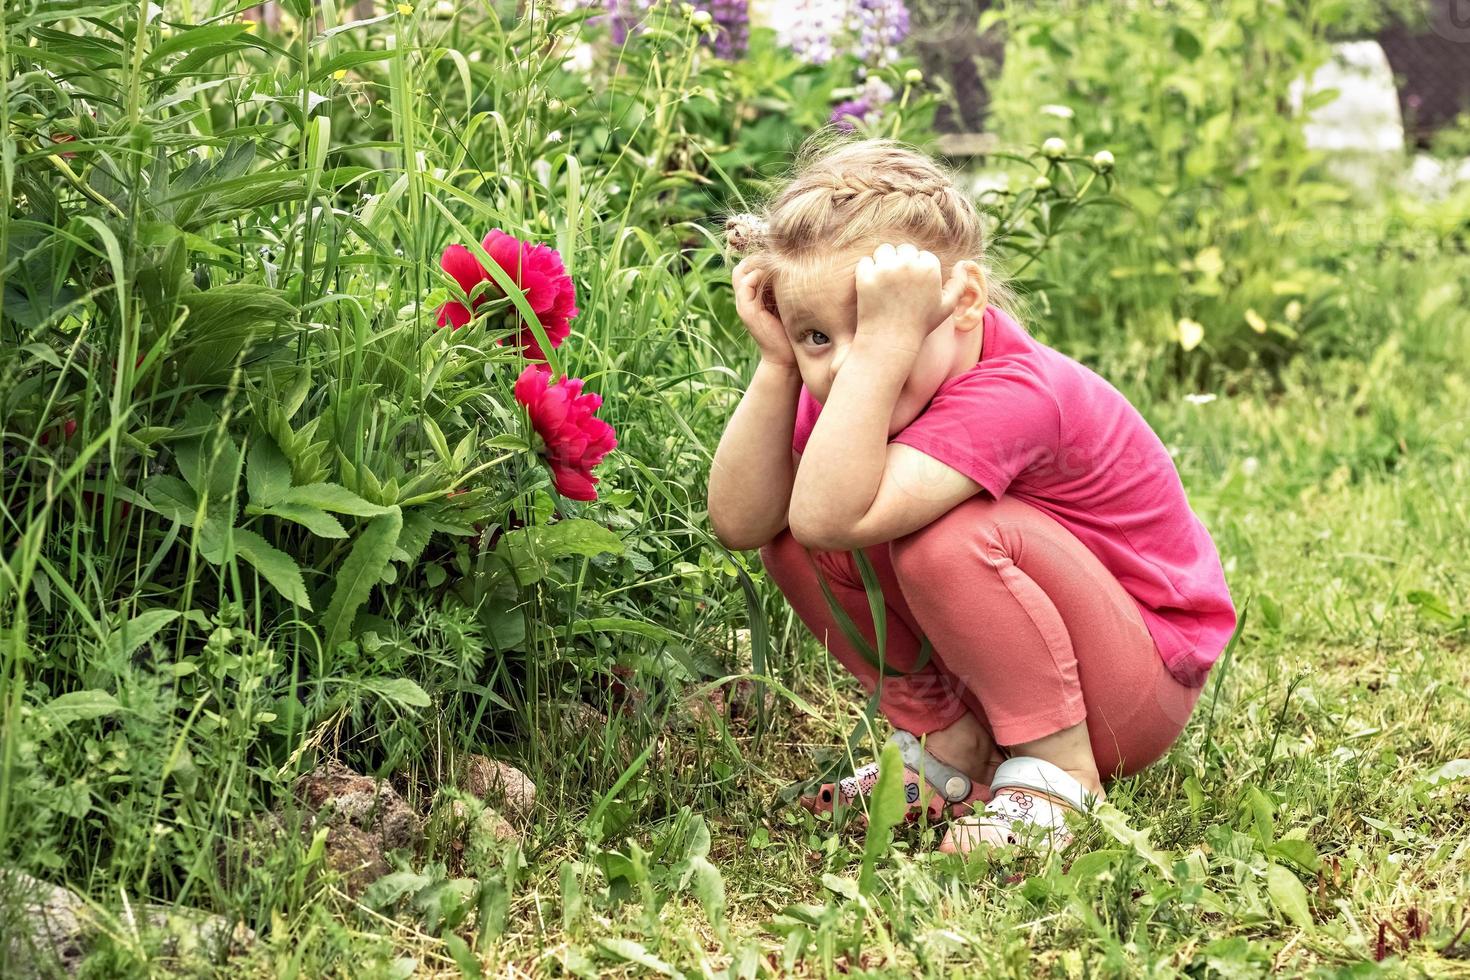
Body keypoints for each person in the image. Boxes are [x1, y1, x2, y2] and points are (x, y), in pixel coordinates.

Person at [706, 134, 1237, 854]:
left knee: (943, 539)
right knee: (791, 527)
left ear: (963, 305)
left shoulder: (1016, 392)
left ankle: (1059, 775)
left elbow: (836, 514)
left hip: (1132, 685)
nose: (841, 367)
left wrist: (882, 346)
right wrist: (778, 365)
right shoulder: (851, 390)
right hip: (1006, 670)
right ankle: (949, 748)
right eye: (818, 337)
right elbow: (745, 522)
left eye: (878, 325)